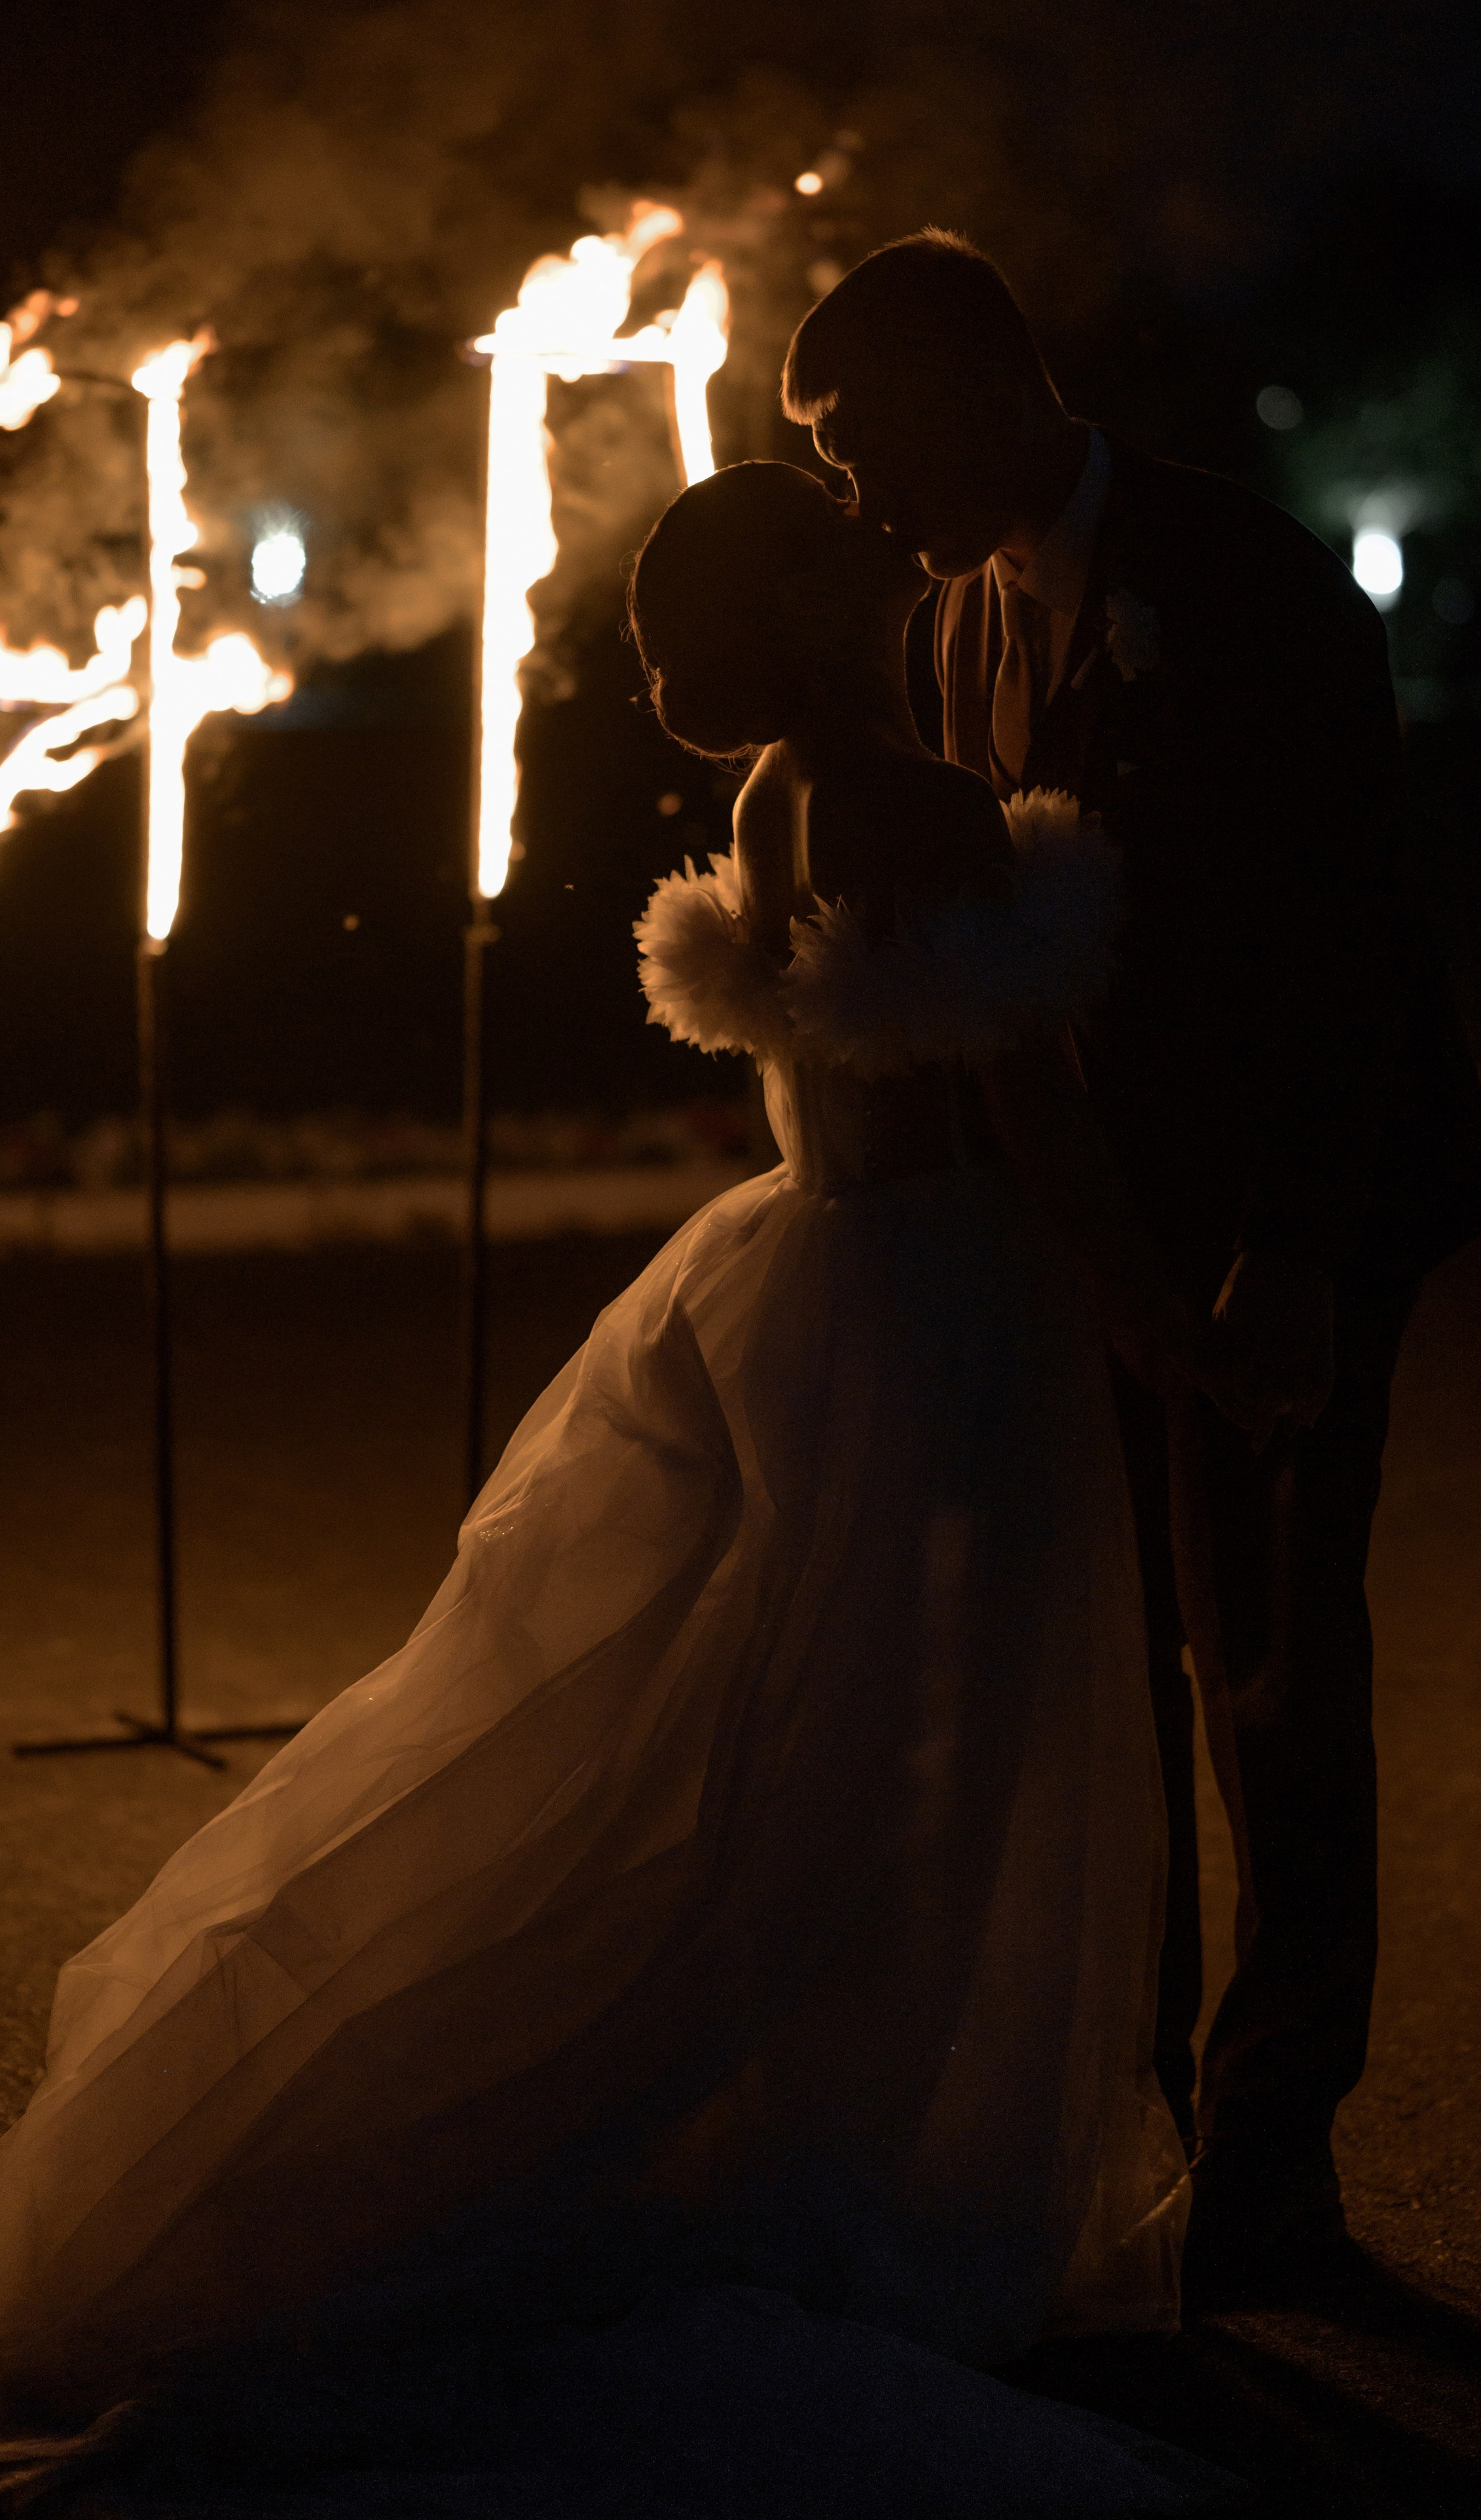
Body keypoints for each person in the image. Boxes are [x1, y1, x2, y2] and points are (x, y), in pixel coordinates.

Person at [0, 464, 1242, 2520]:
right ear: (825, 605)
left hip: (805, 1272)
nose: (886, 544)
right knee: (927, 1750)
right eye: (846, 540)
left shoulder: (778, 798)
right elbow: (1021, 1108)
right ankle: (888, 2172)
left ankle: (817, 2139)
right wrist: (1167, 1326)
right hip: (935, 1308)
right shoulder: (910, 804)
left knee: (773, 1741)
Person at [781, 227, 1481, 2292]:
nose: (850, 494)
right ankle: (1156, 2124)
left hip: (1296, 1217)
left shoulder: (1251, 583)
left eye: (858, 440)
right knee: (1118, 1683)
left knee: (1272, 1680)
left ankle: (1278, 2165)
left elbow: (1357, 940)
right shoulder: (943, 635)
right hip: (1086, 1242)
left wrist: (1292, 1255)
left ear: (983, 383)